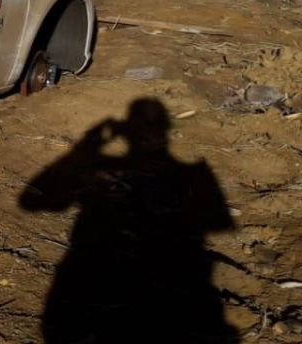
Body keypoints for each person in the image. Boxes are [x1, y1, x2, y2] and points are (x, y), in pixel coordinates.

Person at [20, 98, 237, 343]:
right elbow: (220, 223)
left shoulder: (189, 173)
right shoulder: (192, 173)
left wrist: (88, 146)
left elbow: (32, 200)